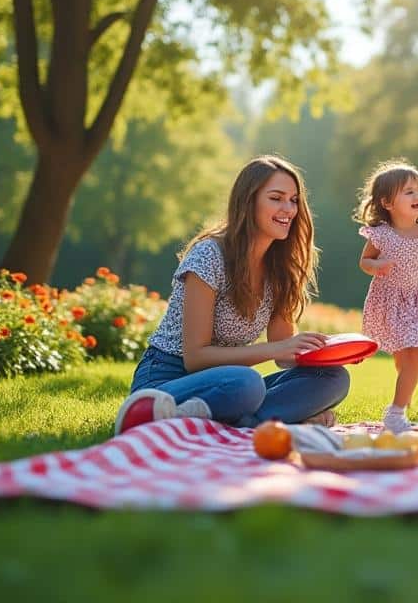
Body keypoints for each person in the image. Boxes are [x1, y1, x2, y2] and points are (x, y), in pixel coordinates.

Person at [114, 155, 350, 435]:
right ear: (248, 202)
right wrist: (276, 349)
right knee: (246, 384)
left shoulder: (280, 268)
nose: (288, 208)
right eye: (276, 198)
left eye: (294, 200)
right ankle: (159, 413)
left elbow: (284, 353)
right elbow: (195, 358)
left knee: (334, 378)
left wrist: (326, 352)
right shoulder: (209, 256)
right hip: (169, 379)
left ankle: (229, 422)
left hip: (227, 383)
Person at [355, 159, 418, 432]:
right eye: (409, 191)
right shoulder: (382, 235)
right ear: (387, 202)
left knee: (414, 356)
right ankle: (401, 405)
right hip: (389, 300)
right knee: (404, 360)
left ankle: (396, 411)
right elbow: (364, 262)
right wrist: (376, 266)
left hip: (416, 299)